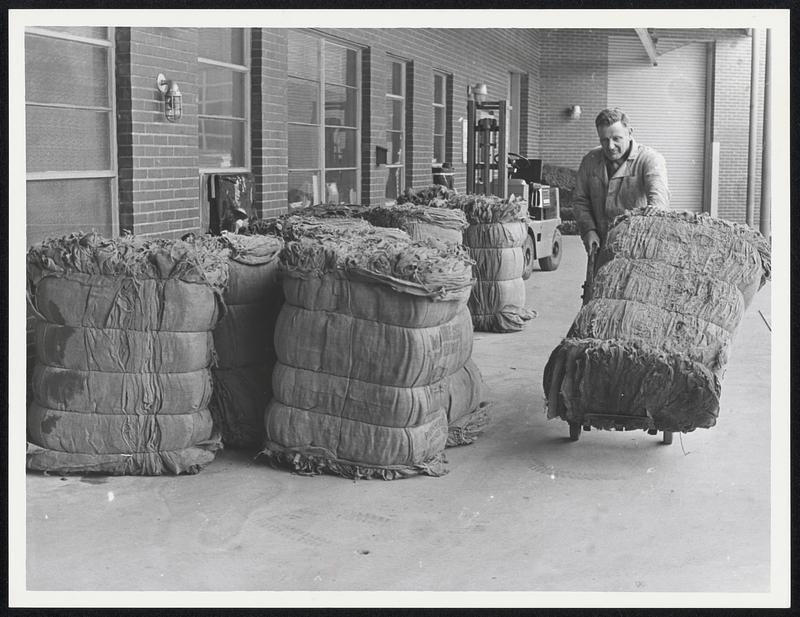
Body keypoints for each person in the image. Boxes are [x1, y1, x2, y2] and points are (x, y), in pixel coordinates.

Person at [572, 108, 670, 254]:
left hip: (638, 249)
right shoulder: (590, 160)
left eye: (616, 138)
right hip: (600, 245)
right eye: (604, 140)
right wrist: (588, 230)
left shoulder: (649, 159)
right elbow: (580, 200)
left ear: (629, 133)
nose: (610, 146)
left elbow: (658, 200)